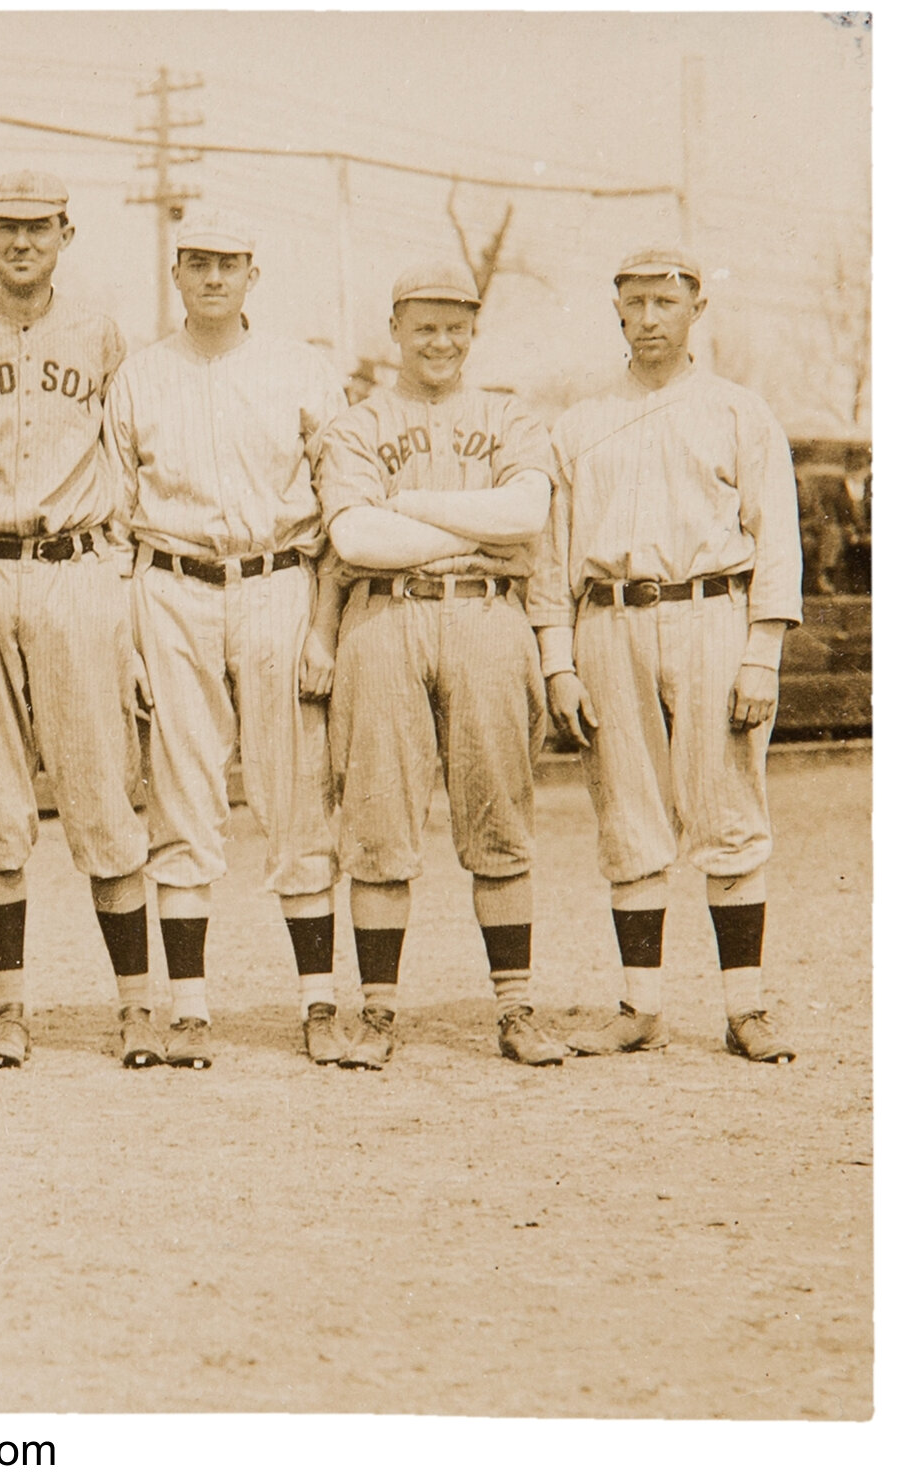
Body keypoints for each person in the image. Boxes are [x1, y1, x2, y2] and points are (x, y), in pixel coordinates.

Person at [0, 171, 153, 1070]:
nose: (21, 244)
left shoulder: (100, 334)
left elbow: (127, 460)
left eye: (38, 229)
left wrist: (121, 591)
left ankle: (137, 1007)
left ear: (65, 234)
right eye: (6, 229)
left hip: (73, 566)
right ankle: (11, 1008)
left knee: (99, 792)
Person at [536, 247, 801, 1065]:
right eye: (635, 304)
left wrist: (762, 652)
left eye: (665, 302)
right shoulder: (580, 421)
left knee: (727, 809)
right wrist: (557, 660)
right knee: (628, 809)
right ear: (616, 311)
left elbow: (777, 538)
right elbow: (549, 553)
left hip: (712, 613)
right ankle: (640, 1005)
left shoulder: (736, 411)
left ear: (696, 310)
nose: (649, 319)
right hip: (608, 621)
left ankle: (745, 1007)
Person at [104, 214, 351, 1069]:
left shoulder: (302, 369)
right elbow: (113, 516)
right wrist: (128, 640)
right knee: (181, 792)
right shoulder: (138, 375)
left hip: (278, 581)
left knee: (296, 793)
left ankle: (320, 1004)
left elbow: (343, 509)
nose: (213, 277)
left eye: (229, 263)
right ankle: (189, 1009)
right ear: (176, 272)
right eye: (198, 263)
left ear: (255, 272)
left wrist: (323, 625)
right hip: (170, 585)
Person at [317, 262, 563, 1069]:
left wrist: (411, 507)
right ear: (395, 327)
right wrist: (477, 529)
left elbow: (526, 514)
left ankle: (516, 1010)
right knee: (379, 822)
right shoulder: (356, 423)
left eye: (457, 325)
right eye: (425, 324)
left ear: (474, 329)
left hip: (489, 616)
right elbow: (356, 540)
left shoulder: (509, 414)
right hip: (385, 617)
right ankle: (379, 1015)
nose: (442, 340)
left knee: (499, 818)